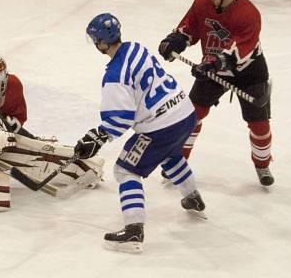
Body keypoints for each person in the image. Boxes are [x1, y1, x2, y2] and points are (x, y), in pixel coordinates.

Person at [75, 13, 205, 254]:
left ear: (101, 43)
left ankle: (134, 230)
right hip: (186, 114)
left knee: (125, 170)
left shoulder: (115, 76)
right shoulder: (136, 47)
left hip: (161, 125)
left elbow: (120, 118)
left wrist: (98, 136)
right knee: (170, 154)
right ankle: (192, 197)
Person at [158, 0, 274, 187]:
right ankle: (179, 163)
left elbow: (241, 50)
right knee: (192, 117)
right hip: (211, 67)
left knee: (259, 124)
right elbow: (188, 29)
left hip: (248, 71)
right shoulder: (202, 2)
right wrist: (175, 42)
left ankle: (263, 164)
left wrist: (213, 63)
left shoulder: (248, 12)